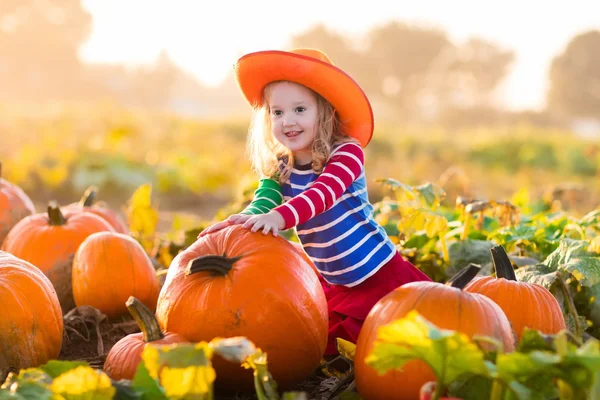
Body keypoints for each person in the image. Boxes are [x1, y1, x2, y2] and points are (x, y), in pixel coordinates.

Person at [199, 48, 431, 355]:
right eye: (277, 112)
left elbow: (321, 195)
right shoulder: (282, 163)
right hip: (335, 281)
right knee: (314, 339)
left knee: (390, 339)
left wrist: (279, 218)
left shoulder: (347, 153)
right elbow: (265, 198)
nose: (287, 121)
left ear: (324, 111)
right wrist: (243, 220)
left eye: (299, 109)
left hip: (376, 275)